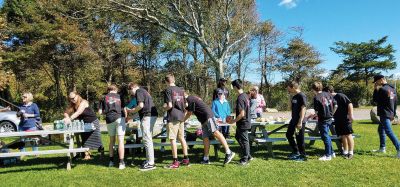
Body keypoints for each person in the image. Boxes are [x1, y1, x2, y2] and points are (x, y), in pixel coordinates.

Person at [183, 91, 235, 165]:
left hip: (208, 117)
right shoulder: (191, 98)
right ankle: (206, 158)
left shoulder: (189, 99)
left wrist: (182, 121)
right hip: (204, 120)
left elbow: (189, 113)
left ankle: (229, 152)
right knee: (205, 138)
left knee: (216, 132)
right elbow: (187, 111)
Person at [125, 82, 159, 171]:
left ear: (132, 88)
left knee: (147, 139)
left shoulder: (139, 91)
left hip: (148, 116)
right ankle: (149, 160)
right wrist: (131, 116)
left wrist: (131, 110)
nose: (130, 94)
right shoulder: (144, 91)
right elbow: (142, 109)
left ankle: (151, 163)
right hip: (151, 115)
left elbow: (141, 106)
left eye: (130, 91)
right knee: (147, 138)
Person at [64, 91, 104, 160]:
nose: (72, 100)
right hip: (84, 124)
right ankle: (87, 155)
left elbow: (79, 112)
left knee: (97, 139)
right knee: (85, 140)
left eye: (73, 98)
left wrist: (70, 119)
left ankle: (101, 153)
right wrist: (66, 116)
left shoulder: (84, 102)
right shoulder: (73, 104)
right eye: (70, 99)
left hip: (93, 122)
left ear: (77, 95)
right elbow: (66, 112)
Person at [163, 74, 189, 169]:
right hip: (181, 116)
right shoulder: (181, 90)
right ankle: (186, 159)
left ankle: (175, 162)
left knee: (172, 139)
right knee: (181, 138)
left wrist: (164, 108)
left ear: (166, 81)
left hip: (173, 116)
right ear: (174, 80)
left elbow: (169, 105)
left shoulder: (168, 90)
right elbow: (186, 104)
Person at [372, 74, 400, 158]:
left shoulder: (382, 89)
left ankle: (399, 149)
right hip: (390, 113)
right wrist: (393, 114)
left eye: (376, 81)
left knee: (388, 131)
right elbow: (395, 102)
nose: (376, 83)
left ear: (381, 79)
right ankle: (382, 148)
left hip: (384, 113)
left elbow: (375, 100)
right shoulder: (392, 89)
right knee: (381, 129)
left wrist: (375, 89)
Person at [99, 85, 126, 169]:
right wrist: (126, 117)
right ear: (116, 89)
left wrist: (107, 112)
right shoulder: (120, 96)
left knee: (112, 141)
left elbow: (100, 112)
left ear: (108, 90)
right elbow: (124, 109)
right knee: (120, 140)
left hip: (109, 119)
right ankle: (121, 163)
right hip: (119, 118)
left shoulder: (103, 97)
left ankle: (111, 161)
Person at [324, 85, 355, 159]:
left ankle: (351, 152)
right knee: (342, 135)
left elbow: (349, 104)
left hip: (345, 118)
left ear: (328, 91)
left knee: (348, 135)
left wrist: (350, 115)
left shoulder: (340, 95)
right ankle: (345, 151)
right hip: (337, 119)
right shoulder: (330, 98)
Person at [227, 79, 252, 166]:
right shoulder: (245, 95)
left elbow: (242, 114)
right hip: (246, 121)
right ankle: (247, 154)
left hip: (243, 122)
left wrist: (233, 121)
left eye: (232, 87)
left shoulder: (240, 98)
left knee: (245, 140)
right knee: (238, 137)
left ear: (235, 87)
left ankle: (245, 158)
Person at [311, 82, 337, 161]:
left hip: (322, 119)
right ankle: (332, 152)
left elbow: (316, 112)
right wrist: (332, 113)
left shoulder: (316, 97)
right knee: (327, 136)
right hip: (329, 118)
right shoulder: (328, 94)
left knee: (325, 137)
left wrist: (312, 116)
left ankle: (327, 155)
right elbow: (336, 105)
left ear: (313, 89)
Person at [286, 81, 307, 161]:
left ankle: (303, 156)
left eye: (289, 89)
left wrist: (300, 121)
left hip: (299, 120)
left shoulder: (302, 96)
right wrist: (290, 99)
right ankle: (296, 151)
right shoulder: (294, 96)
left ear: (294, 87)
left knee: (300, 138)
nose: (288, 90)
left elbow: (303, 108)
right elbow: (290, 107)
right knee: (288, 134)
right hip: (293, 119)